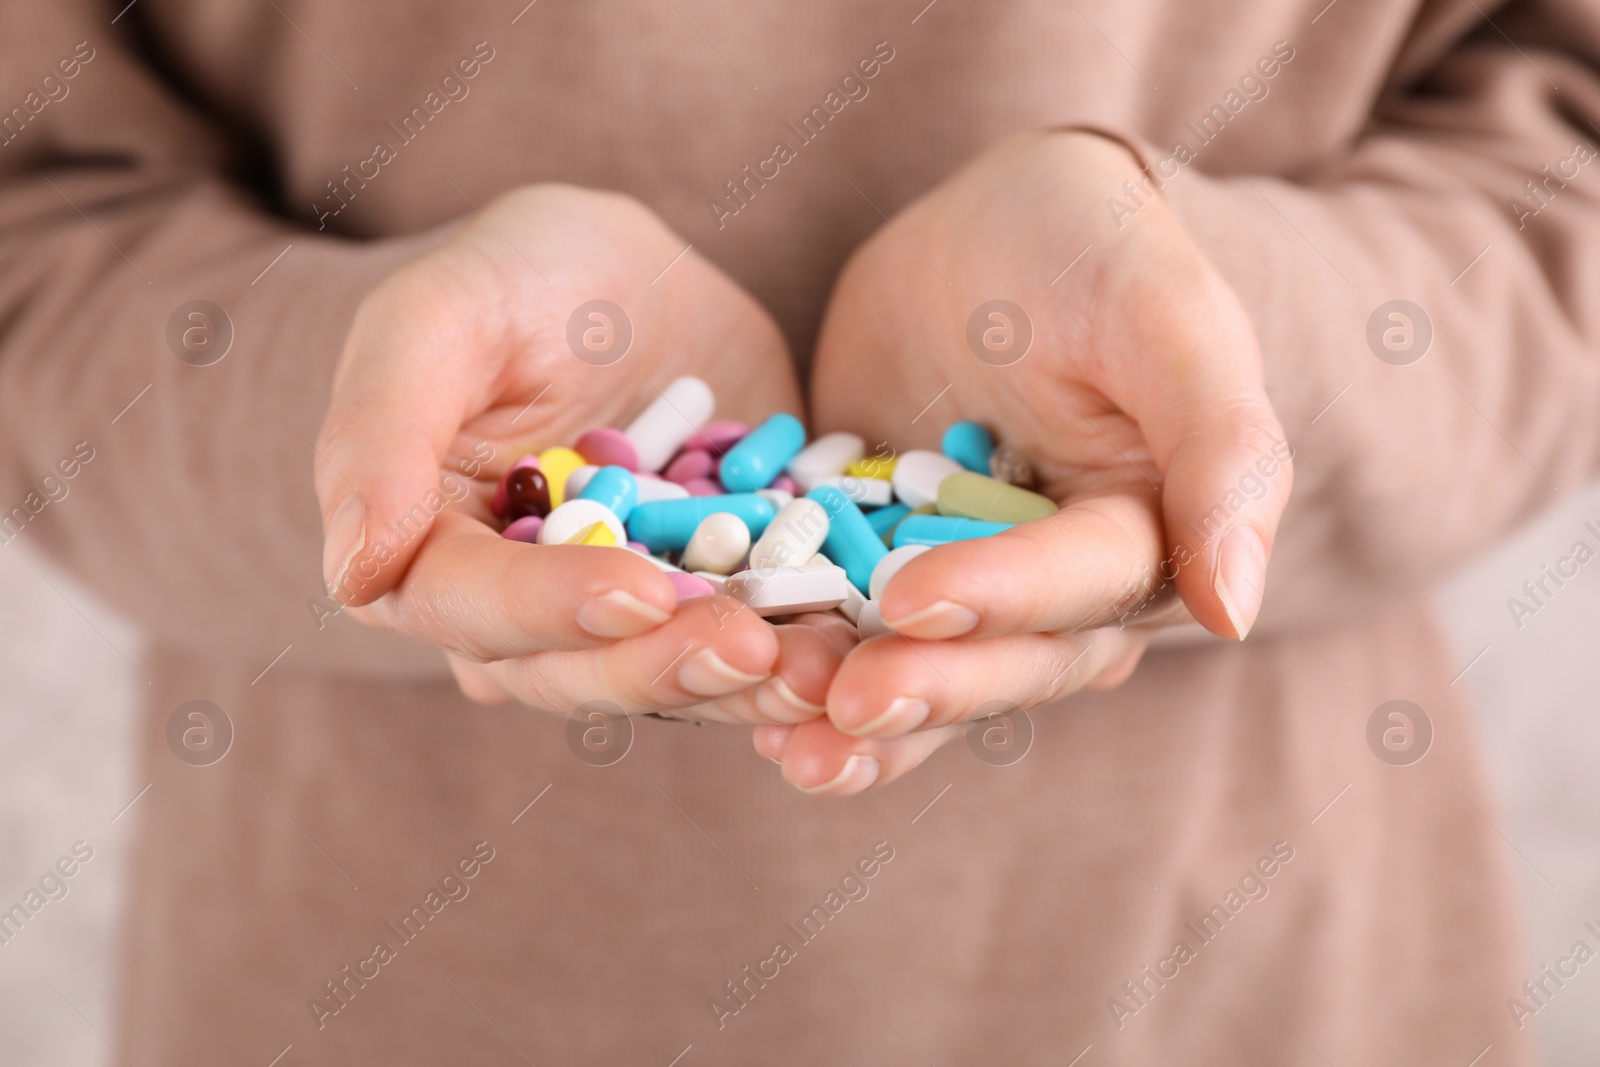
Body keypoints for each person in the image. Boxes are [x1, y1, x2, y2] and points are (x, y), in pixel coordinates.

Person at [2, 0, 1592, 1061]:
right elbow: (39, 212)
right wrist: (367, 420)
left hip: (1240, 975)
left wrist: (1219, 357)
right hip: (388, 974)